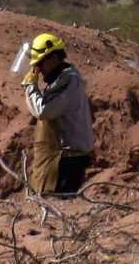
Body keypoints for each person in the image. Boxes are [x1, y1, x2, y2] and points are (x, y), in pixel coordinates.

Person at [20, 32, 94, 195]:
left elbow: (43, 111)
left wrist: (30, 86)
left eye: (40, 64)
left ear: (52, 58)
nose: (38, 70)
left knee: (58, 205)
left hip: (68, 159)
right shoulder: (62, 80)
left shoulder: (67, 81)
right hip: (63, 158)